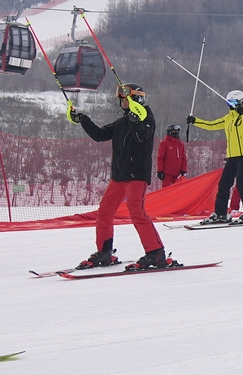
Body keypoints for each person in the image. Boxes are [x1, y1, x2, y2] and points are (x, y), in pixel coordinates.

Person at [70, 82, 172, 269]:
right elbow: (99, 134)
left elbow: (142, 137)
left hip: (136, 175)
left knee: (136, 212)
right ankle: (105, 252)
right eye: (121, 99)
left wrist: (135, 121)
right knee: (104, 212)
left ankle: (156, 253)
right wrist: (82, 119)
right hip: (119, 176)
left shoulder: (147, 118)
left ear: (136, 99)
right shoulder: (121, 122)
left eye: (126, 99)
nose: (123, 102)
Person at [188, 91, 243, 224]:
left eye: (232, 103)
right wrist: (195, 121)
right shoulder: (229, 118)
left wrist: (241, 110)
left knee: (241, 183)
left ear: (241, 102)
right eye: (228, 103)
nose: (230, 105)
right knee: (224, 184)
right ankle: (221, 214)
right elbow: (211, 125)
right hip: (232, 156)